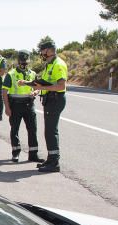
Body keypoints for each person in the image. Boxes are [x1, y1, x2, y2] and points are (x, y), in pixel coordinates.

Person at [21, 40, 68, 172]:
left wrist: (43, 87)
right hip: (50, 99)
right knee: (49, 131)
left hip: (55, 99)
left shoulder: (58, 65)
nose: (41, 53)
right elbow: (44, 84)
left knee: (51, 131)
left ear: (48, 50)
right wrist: (32, 86)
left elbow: (60, 86)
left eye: (42, 50)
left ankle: (54, 163)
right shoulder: (49, 64)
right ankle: (51, 159)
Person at [3, 50, 41, 162]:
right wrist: (7, 107)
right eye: (22, 62)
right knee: (14, 129)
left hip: (29, 104)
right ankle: (16, 153)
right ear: (18, 61)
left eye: (26, 62)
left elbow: (38, 87)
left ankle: (33, 154)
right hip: (15, 105)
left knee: (32, 129)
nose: (24, 64)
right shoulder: (11, 74)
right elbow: (4, 92)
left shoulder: (33, 74)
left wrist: (35, 92)